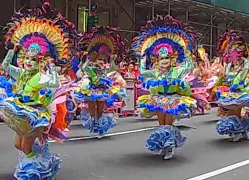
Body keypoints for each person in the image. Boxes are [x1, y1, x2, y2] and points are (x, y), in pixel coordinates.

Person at [0, 2, 77, 179]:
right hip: (22, 113)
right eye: (26, 58)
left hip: (35, 115)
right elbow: (5, 66)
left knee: (25, 147)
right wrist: (13, 51)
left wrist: (50, 65)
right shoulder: (21, 73)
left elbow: (55, 82)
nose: (28, 62)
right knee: (18, 145)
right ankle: (41, 159)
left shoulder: (41, 76)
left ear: (39, 62)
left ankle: (35, 170)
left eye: (33, 60)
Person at [134, 15, 198, 160]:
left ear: (172, 59)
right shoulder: (155, 72)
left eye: (167, 58)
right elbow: (143, 71)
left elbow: (189, 66)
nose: (164, 61)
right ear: (157, 59)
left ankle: (170, 146)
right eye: (161, 58)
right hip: (158, 98)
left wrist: (187, 53)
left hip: (173, 99)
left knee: (168, 123)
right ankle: (164, 144)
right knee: (161, 123)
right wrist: (143, 58)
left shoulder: (177, 70)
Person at [75, 26, 127, 137]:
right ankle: (93, 124)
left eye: (103, 60)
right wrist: (86, 58)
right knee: (92, 110)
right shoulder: (89, 67)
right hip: (91, 90)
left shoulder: (107, 67)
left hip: (102, 89)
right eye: (99, 59)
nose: (101, 62)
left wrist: (112, 60)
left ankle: (100, 128)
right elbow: (82, 69)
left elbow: (113, 69)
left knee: (100, 110)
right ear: (94, 59)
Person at [215, 30, 249, 142]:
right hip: (231, 91)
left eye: (239, 49)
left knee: (234, 111)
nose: (237, 53)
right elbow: (227, 76)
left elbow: (244, 75)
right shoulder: (230, 65)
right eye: (234, 49)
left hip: (242, 91)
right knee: (232, 112)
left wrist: (241, 84)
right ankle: (242, 131)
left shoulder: (245, 63)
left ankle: (238, 131)